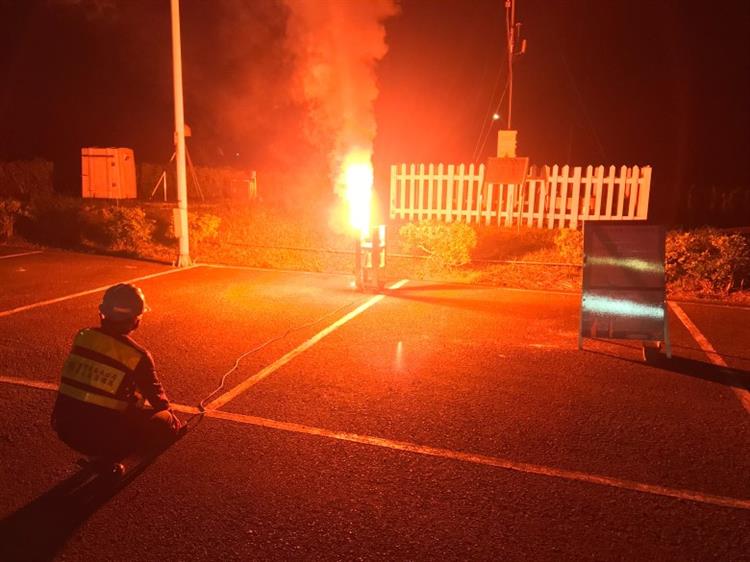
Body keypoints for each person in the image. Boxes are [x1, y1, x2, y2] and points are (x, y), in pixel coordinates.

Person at [51, 283, 183, 470]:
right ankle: (108, 458)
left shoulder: (83, 336)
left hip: (65, 427)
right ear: (136, 320)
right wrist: (173, 422)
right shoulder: (137, 356)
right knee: (164, 422)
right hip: (104, 437)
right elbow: (157, 398)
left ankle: (97, 456)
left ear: (102, 313)